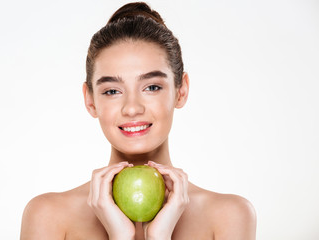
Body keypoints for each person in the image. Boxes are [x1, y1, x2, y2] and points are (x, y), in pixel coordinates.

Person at [20, 2, 257, 240]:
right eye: (112, 91)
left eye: (152, 87)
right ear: (90, 100)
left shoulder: (229, 216)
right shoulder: (48, 216)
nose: (132, 108)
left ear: (181, 91)